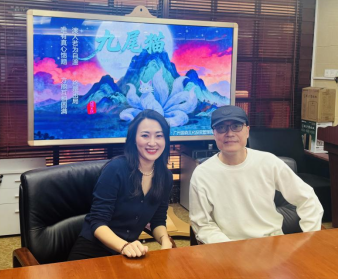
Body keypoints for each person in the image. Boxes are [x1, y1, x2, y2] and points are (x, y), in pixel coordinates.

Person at [190, 105, 324, 244]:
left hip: (272, 244)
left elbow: (307, 198)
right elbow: (202, 224)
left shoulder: (268, 162)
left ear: (247, 130)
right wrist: (229, 248)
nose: (229, 133)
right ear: (214, 134)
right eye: (221, 128)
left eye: (236, 126)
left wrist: (308, 239)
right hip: (228, 246)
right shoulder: (202, 174)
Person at [68, 109, 174, 261]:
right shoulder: (115, 169)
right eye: (145, 135)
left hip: (127, 254)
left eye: (159, 136)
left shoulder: (165, 177)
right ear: (134, 139)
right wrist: (124, 246)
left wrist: (165, 240)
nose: (152, 143)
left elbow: (157, 220)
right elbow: (97, 222)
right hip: (92, 251)